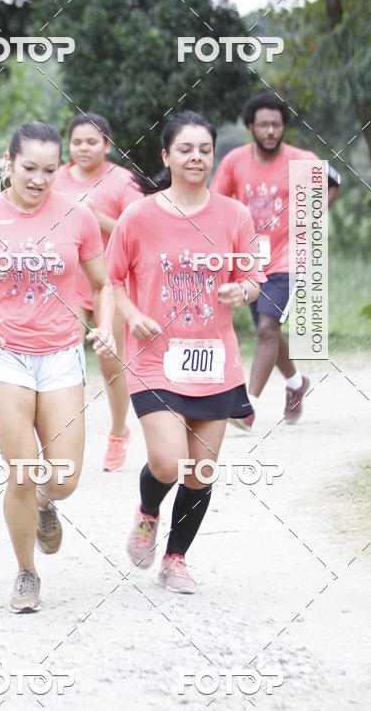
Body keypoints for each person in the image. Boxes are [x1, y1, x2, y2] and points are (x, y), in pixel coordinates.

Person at [106, 111, 264, 593]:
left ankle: (175, 560)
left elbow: (253, 278)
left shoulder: (234, 215)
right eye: (185, 149)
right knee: (169, 461)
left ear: (213, 156)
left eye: (204, 150)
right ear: (166, 156)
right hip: (155, 358)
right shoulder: (139, 216)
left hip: (214, 362)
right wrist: (132, 315)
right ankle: (148, 512)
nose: (196, 157)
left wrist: (243, 291)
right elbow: (114, 279)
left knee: (200, 471)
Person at [0, 121, 116, 613]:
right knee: (23, 472)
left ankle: (47, 503)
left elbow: (103, 284)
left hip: (61, 355)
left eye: (50, 170)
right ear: (9, 163)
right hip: (3, 355)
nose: (39, 179)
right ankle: (27, 572)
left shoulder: (77, 216)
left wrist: (105, 326)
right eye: (29, 168)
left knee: (64, 478)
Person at [210, 91, 341, 428]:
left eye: (276, 125)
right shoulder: (234, 162)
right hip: (251, 260)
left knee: (267, 328)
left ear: (284, 127)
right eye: (263, 125)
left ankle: (247, 407)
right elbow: (217, 204)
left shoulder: (302, 160)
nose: (270, 131)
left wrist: (312, 215)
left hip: (290, 257)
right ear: (251, 126)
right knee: (267, 329)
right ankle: (297, 383)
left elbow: (334, 182)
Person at [54, 113, 142, 471]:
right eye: (77, 142)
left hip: (112, 283)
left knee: (110, 363)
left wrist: (94, 215)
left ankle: (119, 432)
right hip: (68, 286)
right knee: (63, 362)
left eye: (92, 142)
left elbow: (138, 229)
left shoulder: (123, 180)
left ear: (107, 144)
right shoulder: (55, 178)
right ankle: (62, 437)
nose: (84, 148)